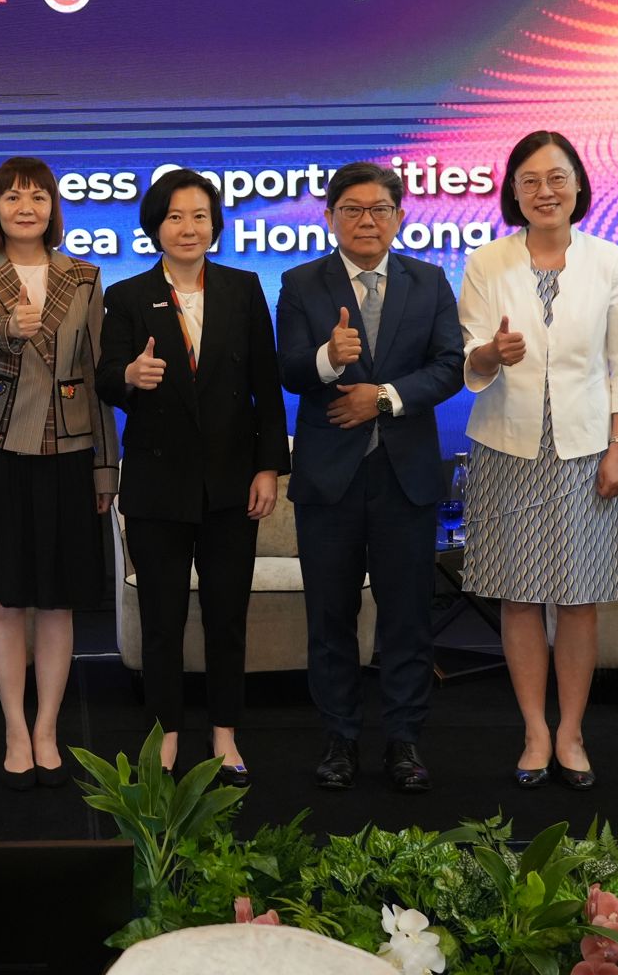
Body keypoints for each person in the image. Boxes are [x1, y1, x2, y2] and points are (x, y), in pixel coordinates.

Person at [457, 130, 618, 791]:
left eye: (557, 178)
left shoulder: (609, 261)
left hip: (586, 449)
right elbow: (469, 358)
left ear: (578, 185)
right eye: (531, 180)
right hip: (508, 446)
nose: (545, 191)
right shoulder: (487, 263)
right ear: (513, 190)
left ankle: (571, 731)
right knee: (517, 595)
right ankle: (534, 730)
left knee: (577, 598)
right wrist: (489, 356)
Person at [275, 161, 464, 794]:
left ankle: (405, 741)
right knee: (329, 616)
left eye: (379, 209)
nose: (366, 220)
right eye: (352, 209)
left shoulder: (431, 281)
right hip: (329, 481)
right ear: (330, 218)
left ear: (400, 217)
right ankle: (340, 740)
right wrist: (330, 359)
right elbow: (289, 369)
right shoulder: (302, 283)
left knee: (407, 616)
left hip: (404, 477)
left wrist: (380, 396)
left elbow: (448, 368)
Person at [98, 168, 289, 782]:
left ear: (215, 224)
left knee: (228, 614)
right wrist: (130, 377)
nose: (188, 227)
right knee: (161, 618)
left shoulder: (242, 288)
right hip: (158, 486)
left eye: (199, 215)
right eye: (175, 216)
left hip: (233, 485)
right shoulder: (127, 296)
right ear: (155, 225)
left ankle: (226, 734)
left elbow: (266, 385)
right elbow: (104, 378)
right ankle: (167, 734)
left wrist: (269, 467)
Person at [0, 157, 118, 791]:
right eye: (13, 197)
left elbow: (99, 376)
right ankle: (14, 729)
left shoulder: (85, 276)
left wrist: (106, 469)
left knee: (57, 603)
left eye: (38, 197)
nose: (26, 207)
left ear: (54, 208)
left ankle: (48, 726)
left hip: (70, 452)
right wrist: (8, 328)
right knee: (4, 599)